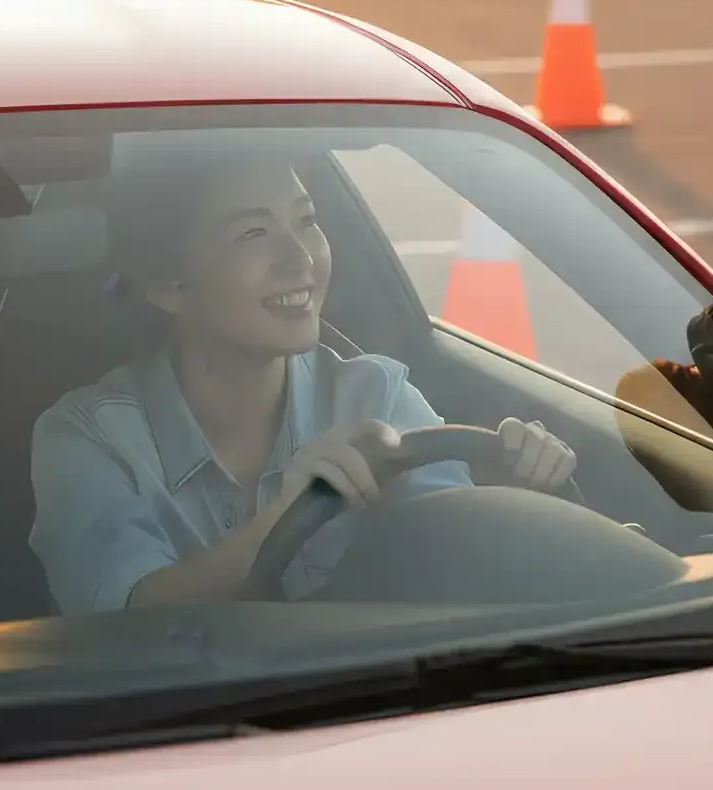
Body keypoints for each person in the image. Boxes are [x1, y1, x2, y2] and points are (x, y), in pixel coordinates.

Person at [30, 144, 575, 614]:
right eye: (253, 233)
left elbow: (459, 557)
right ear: (168, 285)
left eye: (307, 221)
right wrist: (287, 517)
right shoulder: (88, 437)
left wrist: (520, 502)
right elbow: (127, 622)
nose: (300, 259)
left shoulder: (376, 397)